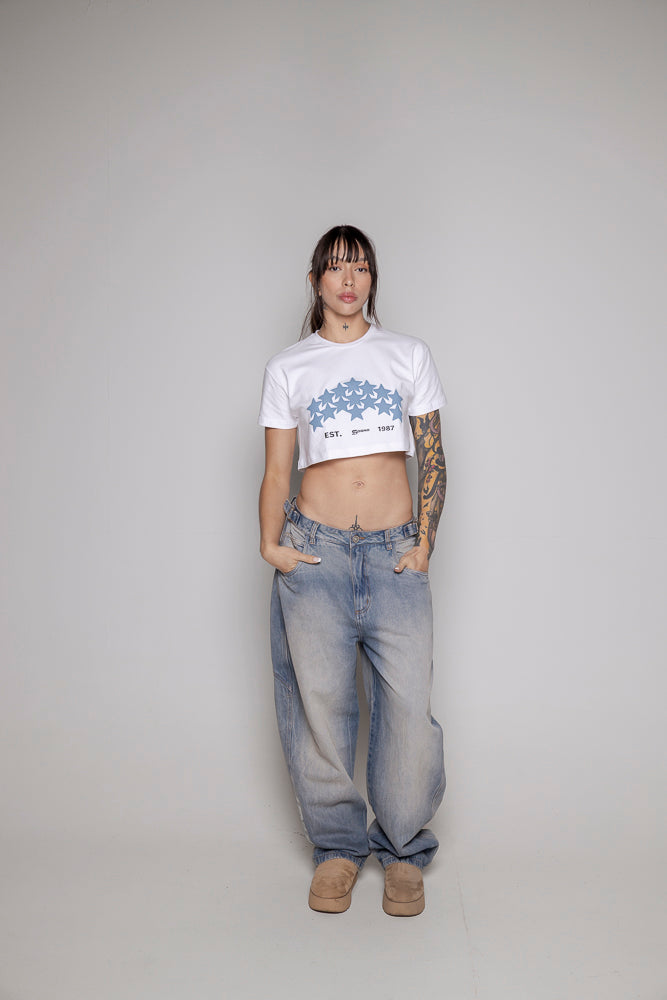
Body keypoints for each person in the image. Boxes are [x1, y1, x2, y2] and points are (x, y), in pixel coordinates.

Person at [258, 224, 447, 917]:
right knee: (320, 709)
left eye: (360, 267)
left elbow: (433, 455)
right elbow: (277, 470)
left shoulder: (407, 354)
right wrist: (270, 545)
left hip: (396, 553)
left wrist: (424, 542)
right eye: (335, 267)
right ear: (315, 281)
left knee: (407, 713)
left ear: (371, 279)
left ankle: (402, 851)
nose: (348, 280)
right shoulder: (290, 366)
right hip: (316, 553)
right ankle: (337, 849)